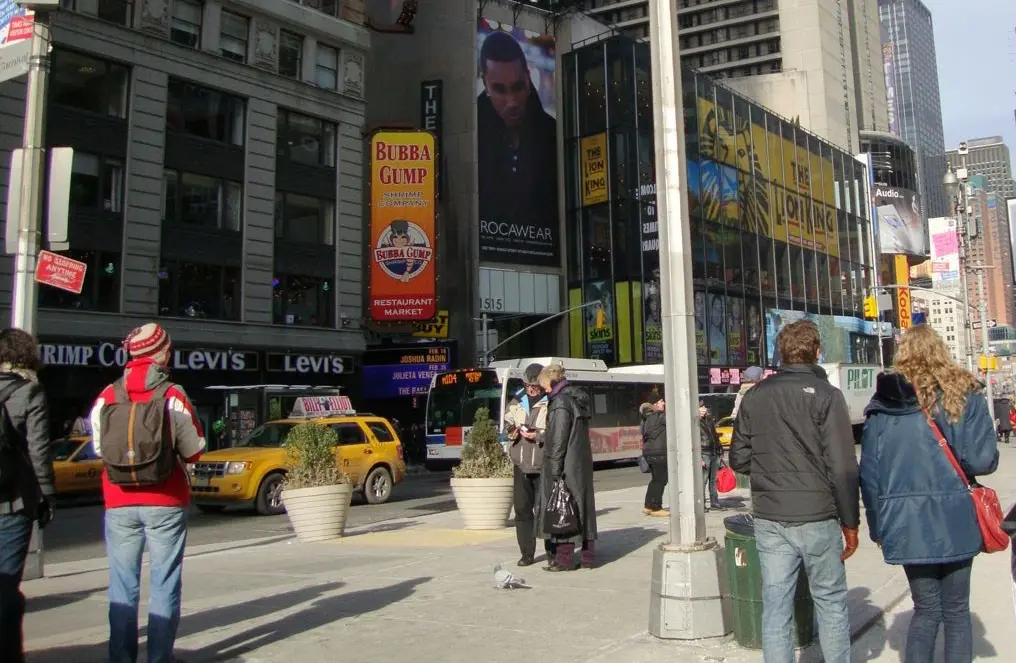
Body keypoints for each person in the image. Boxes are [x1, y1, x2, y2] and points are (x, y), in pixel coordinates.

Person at [860, 325, 998, 663]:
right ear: (941, 351)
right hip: (955, 517)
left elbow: (870, 477)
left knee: (925, 610)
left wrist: (878, 528)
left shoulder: (883, 406)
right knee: (956, 611)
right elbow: (982, 460)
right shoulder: (965, 393)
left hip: (906, 523)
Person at [730, 319, 859, 663]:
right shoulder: (828, 396)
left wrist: (771, 472)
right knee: (830, 603)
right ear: (817, 353)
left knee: (775, 607)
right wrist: (851, 523)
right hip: (819, 514)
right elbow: (843, 466)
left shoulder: (754, 397)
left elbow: (739, 459)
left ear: (781, 354)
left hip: (771, 516)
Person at [90, 323, 206, 663]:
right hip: (166, 500)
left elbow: (100, 447)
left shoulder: (107, 395)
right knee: (164, 583)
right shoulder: (173, 395)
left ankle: (121, 658)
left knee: (122, 585)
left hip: (119, 500)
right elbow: (195, 449)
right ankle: (158, 658)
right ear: (163, 353)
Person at [0, 329, 54, 663]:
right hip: (14, 501)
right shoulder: (30, 392)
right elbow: (39, 452)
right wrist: (46, 497)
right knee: (6, 588)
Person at [476, 30, 557, 248]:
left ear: (528, 79)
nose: (511, 102)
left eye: (517, 87)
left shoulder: (552, 135)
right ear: (485, 84)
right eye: (500, 90)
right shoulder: (471, 134)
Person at [538, 364, 597, 571]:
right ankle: (588, 558)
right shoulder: (577, 398)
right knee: (583, 509)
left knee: (563, 508)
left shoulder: (560, 403)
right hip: (579, 462)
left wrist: (554, 469)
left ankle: (564, 560)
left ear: (552, 383)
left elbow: (557, 440)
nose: (544, 390)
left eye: (544, 386)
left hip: (565, 465)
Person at [503, 363, 550, 567]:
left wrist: (538, 435)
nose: (532, 389)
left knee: (546, 510)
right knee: (522, 510)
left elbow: (556, 431)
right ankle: (527, 553)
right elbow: (506, 425)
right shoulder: (516, 401)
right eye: (528, 385)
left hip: (542, 464)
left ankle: (552, 551)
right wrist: (512, 431)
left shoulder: (551, 401)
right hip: (521, 464)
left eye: (535, 386)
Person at [639, 394, 668, 517]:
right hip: (659, 452)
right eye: (662, 401)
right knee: (661, 479)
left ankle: (648, 505)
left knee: (655, 479)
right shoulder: (660, 416)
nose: (664, 404)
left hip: (649, 452)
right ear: (655, 404)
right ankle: (656, 507)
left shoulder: (645, 418)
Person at [698, 401, 725, 512]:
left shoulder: (709, 420)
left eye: (704, 406)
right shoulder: (694, 422)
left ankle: (714, 502)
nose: (704, 409)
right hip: (704, 454)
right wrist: (698, 458)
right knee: (703, 480)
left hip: (714, 452)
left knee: (713, 480)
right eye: (701, 407)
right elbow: (693, 442)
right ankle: (702, 504)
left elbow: (715, 437)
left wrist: (720, 451)